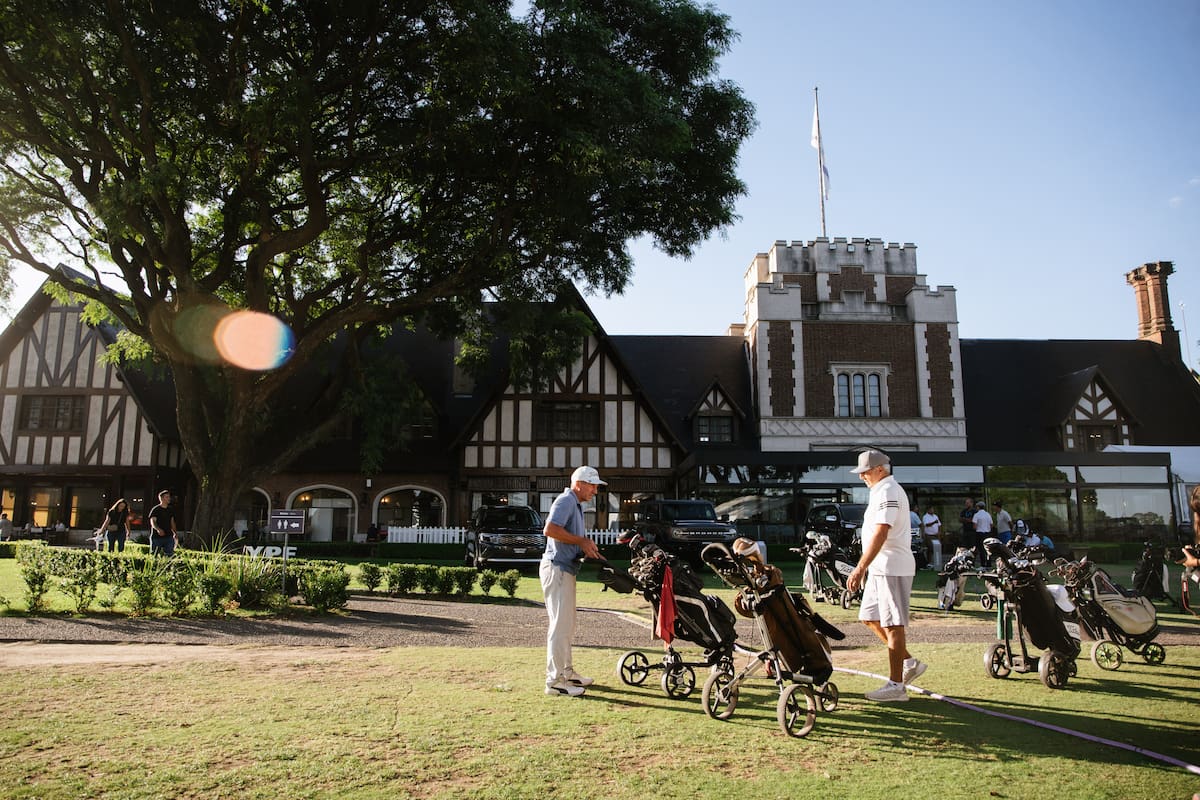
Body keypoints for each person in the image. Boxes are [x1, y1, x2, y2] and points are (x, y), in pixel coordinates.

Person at [846, 449, 925, 702]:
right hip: (881, 567)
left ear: (879, 469)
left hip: (892, 566)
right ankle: (908, 662)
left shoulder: (889, 491)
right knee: (869, 617)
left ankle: (896, 686)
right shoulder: (881, 491)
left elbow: (882, 532)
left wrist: (860, 568)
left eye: (865, 472)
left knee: (893, 624)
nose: (862, 477)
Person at [541, 465, 604, 697]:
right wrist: (581, 541)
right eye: (593, 485)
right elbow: (550, 529)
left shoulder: (575, 504)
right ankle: (555, 681)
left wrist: (584, 546)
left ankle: (567, 673)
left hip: (564, 568)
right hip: (557, 568)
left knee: (567, 625)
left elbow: (566, 536)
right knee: (560, 626)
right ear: (579, 483)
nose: (595, 491)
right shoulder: (566, 500)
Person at [147, 489, 178, 556]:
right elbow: (152, 521)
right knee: (154, 554)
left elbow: (172, 522)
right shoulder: (156, 509)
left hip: (169, 536)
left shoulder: (170, 510)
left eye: (169, 497)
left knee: (169, 554)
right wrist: (158, 529)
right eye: (166, 497)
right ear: (161, 498)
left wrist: (175, 533)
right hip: (157, 537)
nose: (169, 498)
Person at [971, 501, 993, 565]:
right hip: (987, 533)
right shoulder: (988, 514)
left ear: (978, 507)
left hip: (979, 533)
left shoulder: (976, 515)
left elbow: (974, 526)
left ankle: (983, 563)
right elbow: (991, 525)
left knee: (981, 549)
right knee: (988, 549)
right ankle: (989, 563)